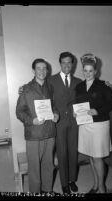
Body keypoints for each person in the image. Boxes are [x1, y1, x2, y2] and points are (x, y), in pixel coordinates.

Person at [74, 53, 112, 194]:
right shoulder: (79, 86)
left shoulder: (104, 85)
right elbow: (77, 103)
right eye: (85, 70)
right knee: (91, 155)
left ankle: (102, 188)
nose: (88, 73)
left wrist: (97, 110)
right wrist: (76, 112)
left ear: (96, 71)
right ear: (83, 71)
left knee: (97, 156)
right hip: (85, 125)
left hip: (99, 125)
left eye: (90, 71)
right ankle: (95, 184)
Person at [16, 58, 59, 194]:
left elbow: (54, 106)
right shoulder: (26, 89)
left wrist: (56, 114)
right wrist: (32, 120)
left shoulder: (50, 87)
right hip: (34, 134)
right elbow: (19, 111)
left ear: (47, 70)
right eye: (39, 68)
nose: (42, 71)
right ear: (34, 70)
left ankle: (48, 190)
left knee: (49, 164)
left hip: (50, 133)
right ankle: (35, 192)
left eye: (44, 68)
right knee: (34, 168)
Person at [48, 52, 82, 195]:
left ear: (73, 64)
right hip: (59, 122)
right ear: (60, 63)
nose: (67, 65)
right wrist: (23, 88)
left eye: (69, 62)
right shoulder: (51, 80)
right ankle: (63, 183)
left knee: (73, 152)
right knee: (61, 153)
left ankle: (72, 179)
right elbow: (47, 100)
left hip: (74, 122)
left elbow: (84, 100)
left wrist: (106, 85)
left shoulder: (78, 81)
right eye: (64, 62)